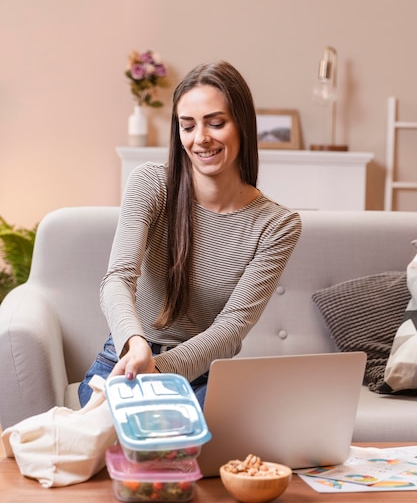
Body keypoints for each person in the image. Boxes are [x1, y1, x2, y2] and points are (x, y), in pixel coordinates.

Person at [79, 60, 302, 409]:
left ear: (242, 124)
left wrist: (159, 369)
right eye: (187, 126)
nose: (201, 139)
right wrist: (137, 347)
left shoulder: (277, 225)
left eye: (216, 123)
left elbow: (230, 329)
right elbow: (118, 279)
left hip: (202, 376)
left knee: (211, 442)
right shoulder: (150, 184)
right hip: (127, 361)